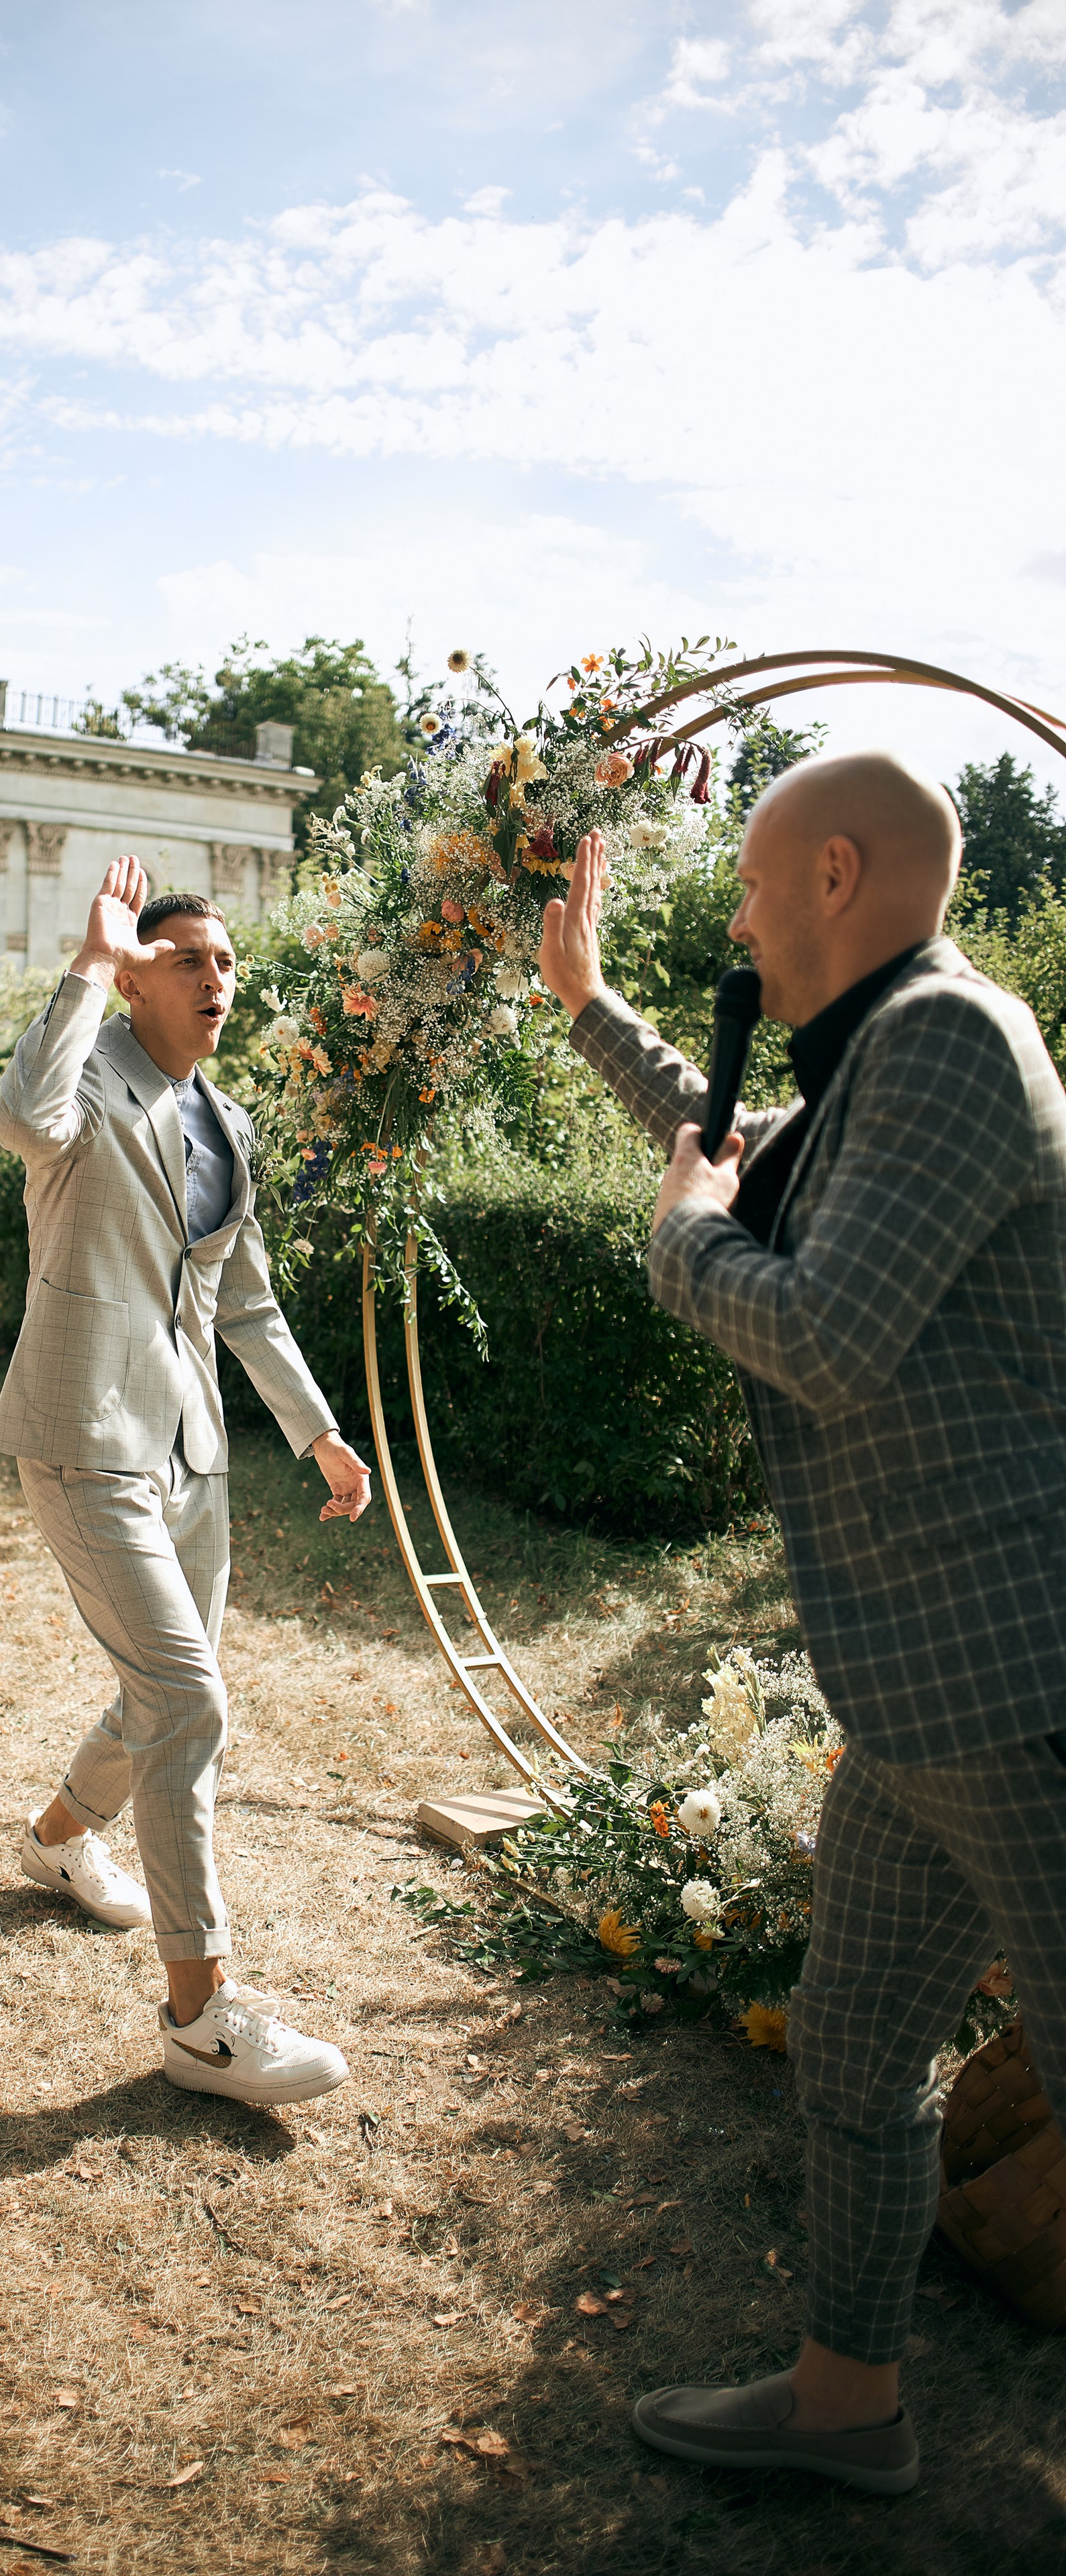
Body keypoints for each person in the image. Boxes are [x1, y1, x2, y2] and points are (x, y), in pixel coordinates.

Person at [538, 750, 1066, 2498]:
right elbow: (738, 1159)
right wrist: (597, 1009)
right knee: (850, 2052)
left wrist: (676, 1250)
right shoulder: (881, 1064)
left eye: (758, 890)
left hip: (1025, 1685)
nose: (745, 924)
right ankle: (852, 2407)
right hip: (928, 1700)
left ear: (836, 874)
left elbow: (821, 1334)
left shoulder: (950, 1040)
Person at [0, 855, 373, 2108]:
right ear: (142, 977)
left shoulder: (228, 1124)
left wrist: (316, 1433)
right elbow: (19, 1120)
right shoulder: (88, 1080)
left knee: (165, 1691)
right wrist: (90, 965)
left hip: (191, 1452)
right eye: (188, 959)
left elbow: (243, 1299)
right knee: (187, 1693)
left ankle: (56, 1843)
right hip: (81, 1432)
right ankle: (202, 2019)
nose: (217, 979)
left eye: (225, 962)